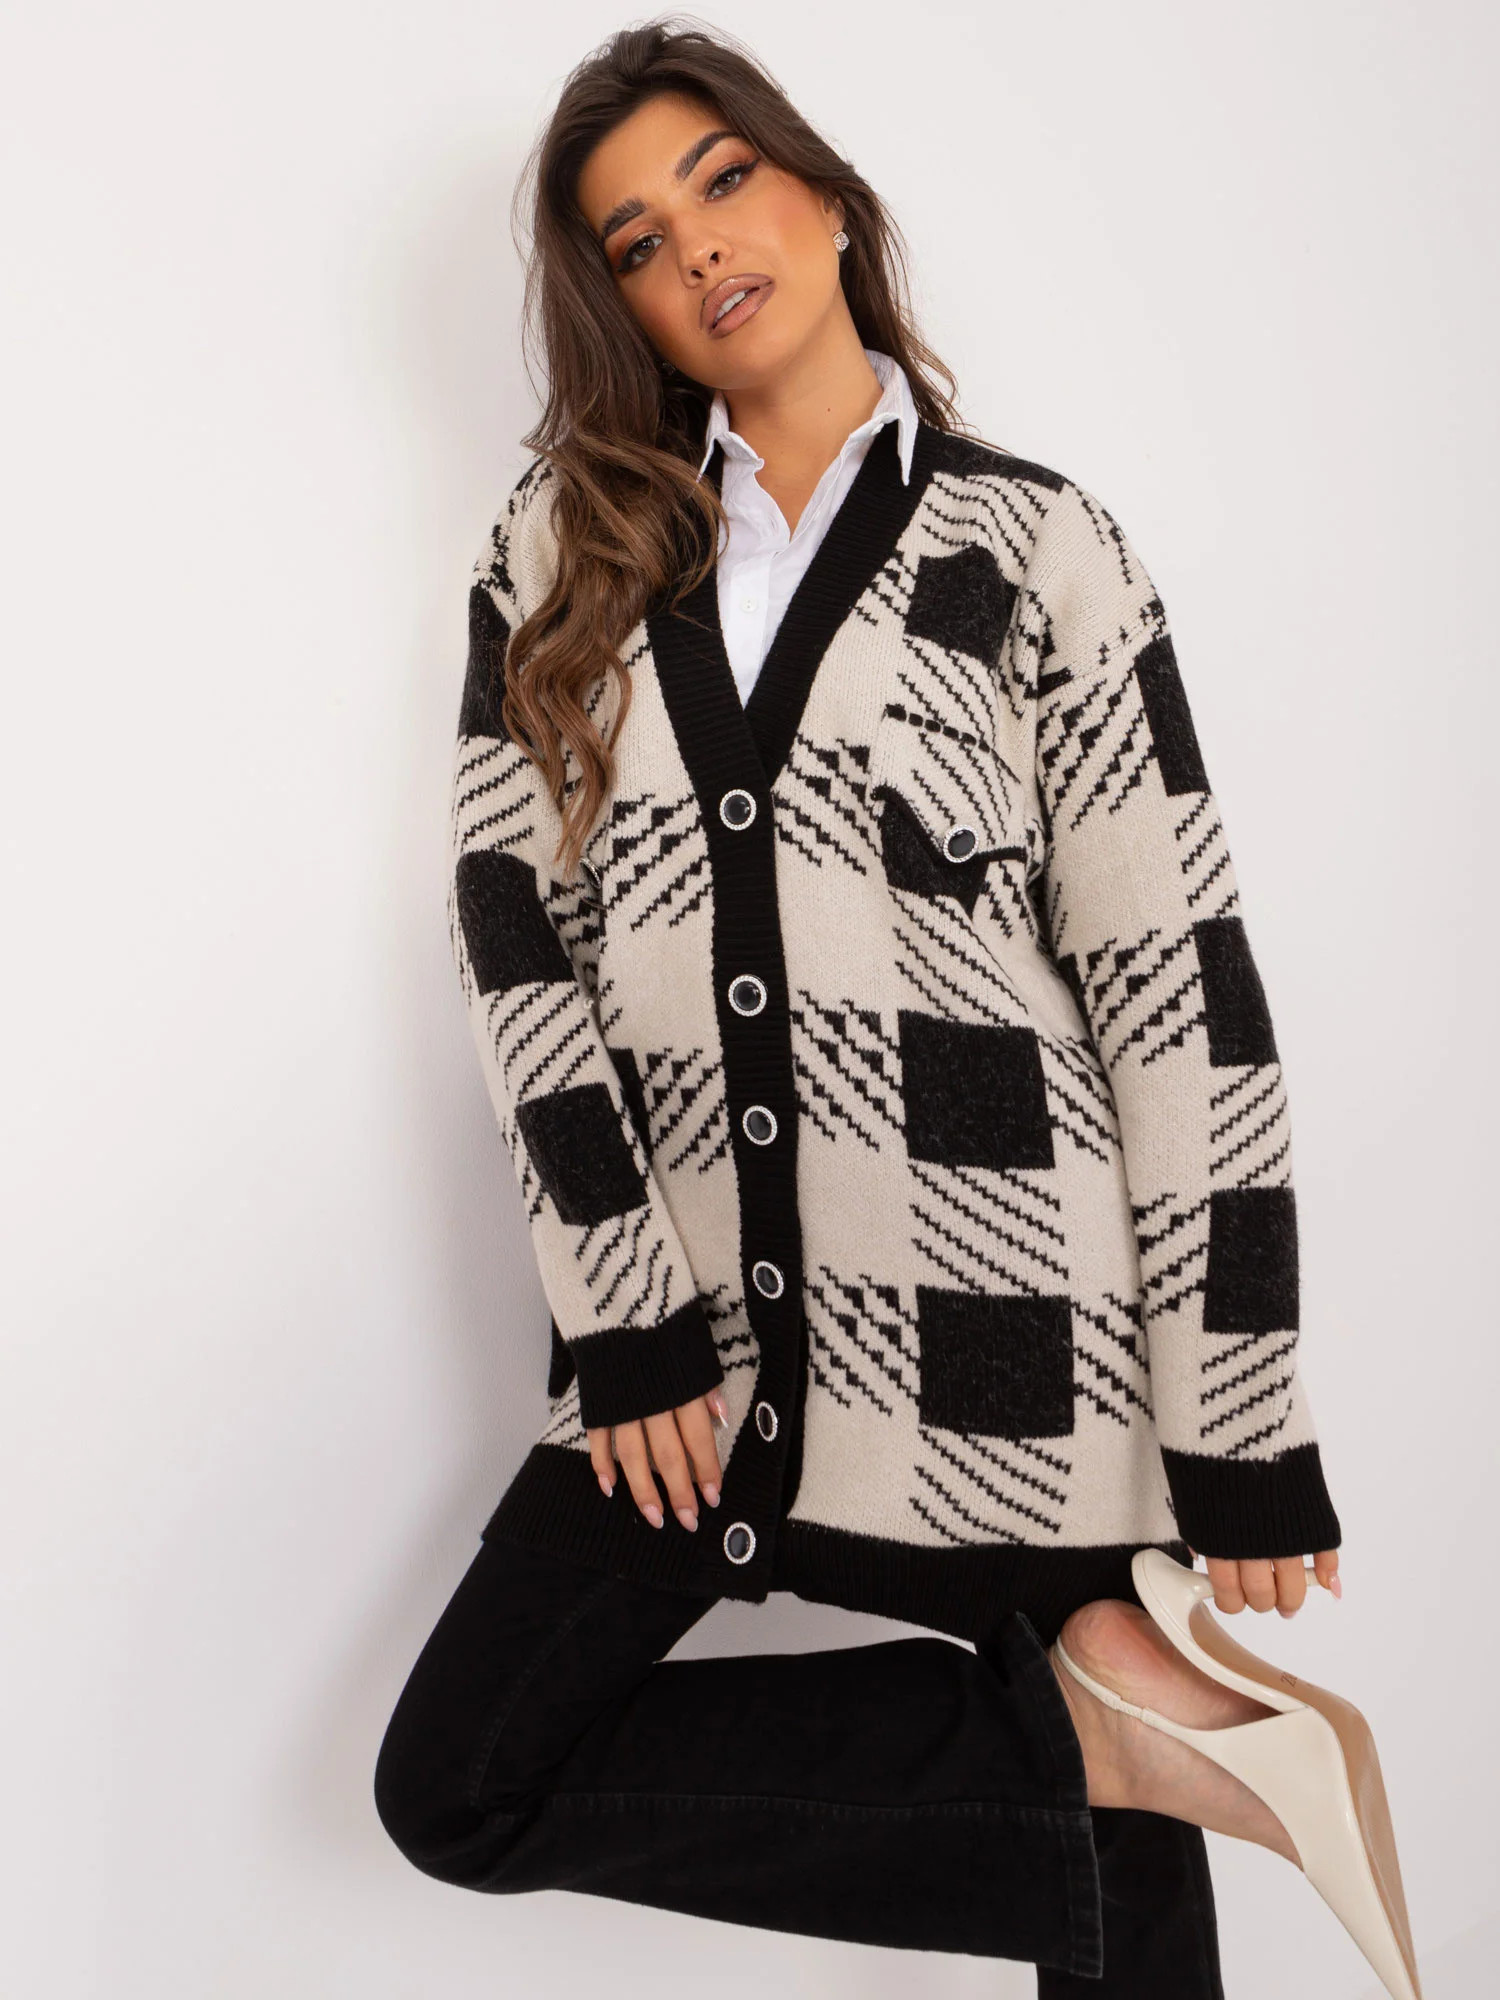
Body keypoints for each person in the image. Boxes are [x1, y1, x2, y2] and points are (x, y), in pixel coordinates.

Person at [374, 19, 1397, 1997]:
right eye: (638, 238)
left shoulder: (1039, 547)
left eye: (725, 180)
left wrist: (1241, 1420)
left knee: (1130, 1939)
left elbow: (1179, 990)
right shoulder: (563, 555)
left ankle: (1112, 1751)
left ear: (827, 201)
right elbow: (513, 936)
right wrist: (624, 1309)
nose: (698, 245)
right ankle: (1102, 1748)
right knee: (466, 1781)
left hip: (1020, 1336)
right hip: (689, 1370)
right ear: (620, 303)